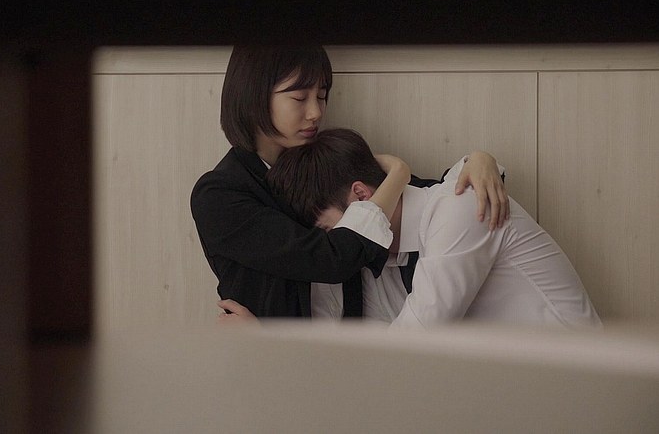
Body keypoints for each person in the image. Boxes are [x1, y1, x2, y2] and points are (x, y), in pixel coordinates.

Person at [191, 45, 509, 319]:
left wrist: (478, 162)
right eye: (299, 98)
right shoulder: (219, 194)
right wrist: (397, 172)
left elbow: (421, 198)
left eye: (322, 96)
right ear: (254, 97)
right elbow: (330, 259)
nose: (316, 112)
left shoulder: (318, 162)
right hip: (271, 356)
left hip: (355, 349)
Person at [236, 128, 600, 328]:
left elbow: (414, 343)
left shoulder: (457, 207)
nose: (336, 248)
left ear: (361, 196)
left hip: (578, 391)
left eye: (330, 231)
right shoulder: (392, 261)